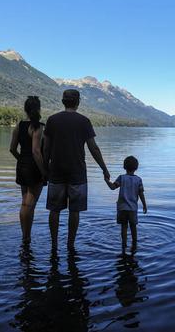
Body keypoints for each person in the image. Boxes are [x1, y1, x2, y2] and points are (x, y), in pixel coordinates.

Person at [44, 89, 110, 250]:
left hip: (56, 172)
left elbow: (46, 148)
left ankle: (54, 245)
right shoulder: (84, 121)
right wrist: (104, 169)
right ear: (78, 102)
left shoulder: (52, 120)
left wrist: (45, 169)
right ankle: (70, 245)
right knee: (74, 211)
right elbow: (93, 148)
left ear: (62, 101)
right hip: (77, 173)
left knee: (54, 210)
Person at [9, 96, 46, 243]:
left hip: (22, 167)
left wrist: (21, 160)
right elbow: (36, 151)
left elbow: (12, 149)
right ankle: (26, 237)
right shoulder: (38, 127)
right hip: (34, 169)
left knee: (25, 202)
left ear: (26, 109)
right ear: (38, 109)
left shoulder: (19, 126)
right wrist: (44, 172)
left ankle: (25, 236)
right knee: (29, 204)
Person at [105, 156, 147, 252]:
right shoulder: (138, 180)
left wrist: (106, 180)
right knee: (133, 228)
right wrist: (144, 205)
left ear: (124, 167)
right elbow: (141, 194)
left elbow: (112, 187)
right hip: (132, 209)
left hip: (122, 208)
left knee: (123, 227)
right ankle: (134, 245)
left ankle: (124, 245)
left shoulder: (121, 178)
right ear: (136, 167)